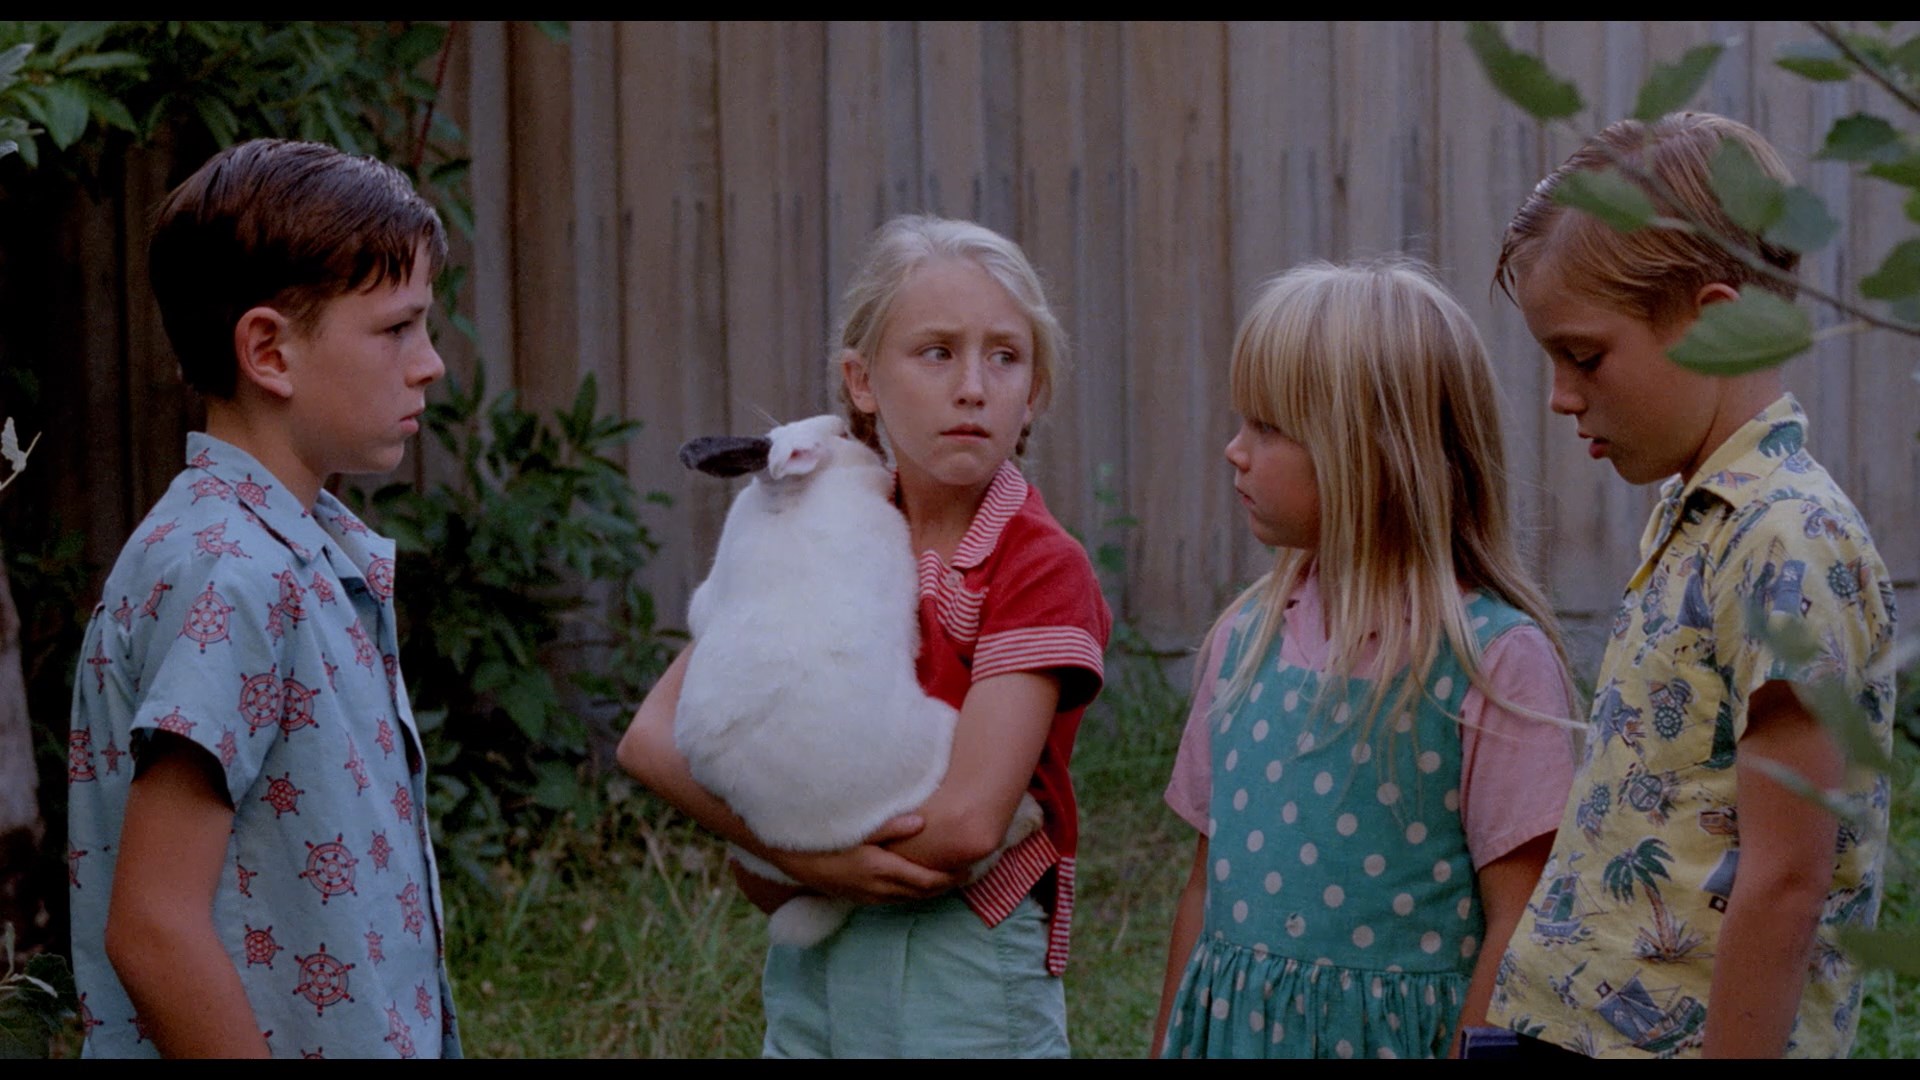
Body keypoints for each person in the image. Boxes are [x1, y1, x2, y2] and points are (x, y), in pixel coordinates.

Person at [617, 213, 1112, 1057]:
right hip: (813, 954)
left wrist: (796, 854)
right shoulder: (818, 515)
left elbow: (968, 825)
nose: (972, 387)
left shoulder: (1037, 564)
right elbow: (651, 741)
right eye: (936, 352)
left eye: (1005, 356)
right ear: (862, 381)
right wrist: (811, 865)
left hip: (965, 960)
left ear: (1034, 391)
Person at [1479, 112, 1897, 1059]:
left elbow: (1787, 880)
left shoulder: (1787, 541)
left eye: (1584, 356)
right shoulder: (1700, 514)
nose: (1560, 395)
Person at [66, 138, 459, 1058]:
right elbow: (154, 928)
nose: (430, 363)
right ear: (269, 352)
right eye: (397, 329)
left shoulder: (296, 551)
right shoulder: (232, 575)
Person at [1150, 258, 1581, 1059]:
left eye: (1268, 427)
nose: (1235, 450)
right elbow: (1205, 887)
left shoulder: (1491, 664)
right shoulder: (1243, 641)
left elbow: (1520, 922)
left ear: (1375, 455)